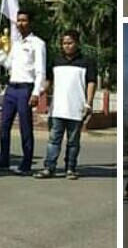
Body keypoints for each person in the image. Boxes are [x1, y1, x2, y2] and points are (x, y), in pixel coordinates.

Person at [0, 10, 46, 176]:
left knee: (25, 127)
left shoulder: (37, 43)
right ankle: (3, 160)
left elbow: (40, 71)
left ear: (30, 22)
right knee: (4, 126)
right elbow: (8, 64)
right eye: (18, 21)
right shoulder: (17, 43)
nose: (20, 23)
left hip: (26, 89)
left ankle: (26, 163)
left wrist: (36, 93)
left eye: (24, 20)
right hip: (11, 88)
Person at [35, 30, 96, 179]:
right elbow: (48, 81)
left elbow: (91, 83)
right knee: (53, 140)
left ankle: (70, 168)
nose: (67, 46)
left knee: (73, 142)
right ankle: (49, 168)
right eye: (64, 43)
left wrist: (88, 104)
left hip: (77, 110)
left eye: (70, 43)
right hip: (57, 109)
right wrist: (40, 91)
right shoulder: (56, 61)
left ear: (77, 43)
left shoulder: (87, 62)